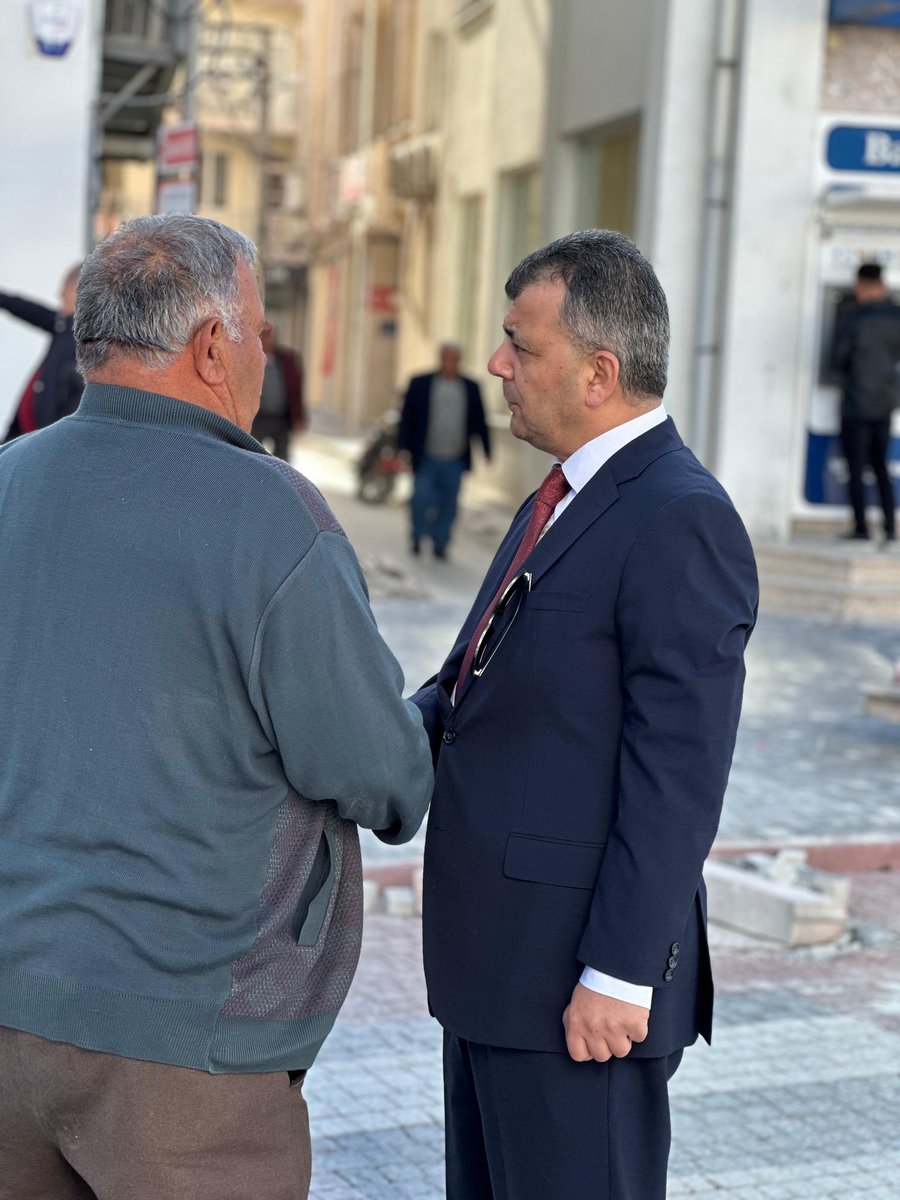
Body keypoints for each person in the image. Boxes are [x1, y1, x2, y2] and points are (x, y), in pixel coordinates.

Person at [0, 214, 433, 1200]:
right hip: (183, 1048)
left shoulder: (7, 481)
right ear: (207, 346)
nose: (261, 361)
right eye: (258, 337)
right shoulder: (270, 511)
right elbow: (382, 775)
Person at [412, 230, 759, 1200]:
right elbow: (469, 683)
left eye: (521, 346)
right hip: (498, 973)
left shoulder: (678, 516)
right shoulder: (564, 496)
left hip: (576, 992)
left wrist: (619, 971)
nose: (497, 365)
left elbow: (680, 773)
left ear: (600, 372)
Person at [397, 340, 491, 559]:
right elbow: (407, 418)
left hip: (455, 458)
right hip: (426, 456)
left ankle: (441, 542)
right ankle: (417, 535)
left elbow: (479, 421)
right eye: (446, 358)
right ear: (441, 359)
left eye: (454, 358)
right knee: (421, 498)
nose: (450, 362)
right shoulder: (421, 383)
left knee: (449, 503)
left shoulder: (470, 387)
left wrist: (486, 449)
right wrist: (402, 448)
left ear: (459, 361)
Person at [832, 260, 900, 544]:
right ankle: (889, 527)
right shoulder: (897, 316)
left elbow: (837, 358)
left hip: (856, 404)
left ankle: (861, 528)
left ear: (861, 284)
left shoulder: (852, 317)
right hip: (884, 403)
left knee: (857, 467)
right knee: (881, 465)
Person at [1, 263, 84, 441]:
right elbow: (29, 309)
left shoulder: (81, 337)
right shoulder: (62, 326)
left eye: (64, 290)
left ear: (78, 292)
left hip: (43, 440)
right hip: (26, 437)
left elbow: (77, 395)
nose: (59, 295)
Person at [252, 325, 307, 461]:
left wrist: (298, 417)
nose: (266, 340)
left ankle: (277, 481)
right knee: (254, 455)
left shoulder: (287, 360)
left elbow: (296, 390)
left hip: (281, 418)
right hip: (258, 418)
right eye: (263, 336)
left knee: (282, 458)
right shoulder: (251, 358)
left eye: (269, 336)